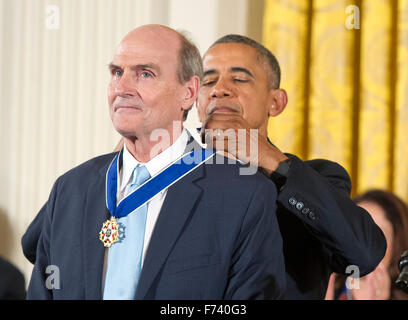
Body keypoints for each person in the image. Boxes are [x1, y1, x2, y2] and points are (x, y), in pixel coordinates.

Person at [25, 25, 286, 299]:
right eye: (116, 73)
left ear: (188, 92)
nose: (122, 88)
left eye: (145, 74)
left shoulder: (245, 194)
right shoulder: (70, 187)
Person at [195, 34, 387, 299]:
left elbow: (364, 253)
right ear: (195, 101)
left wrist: (268, 158)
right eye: (208, 81)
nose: (220, 89)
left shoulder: (317, 178)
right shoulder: (170, 174)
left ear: (276, 102)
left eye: (239, 78)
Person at [325, 189, 408, 300]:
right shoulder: (322, 286)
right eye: (354, 233)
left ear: (398, 243)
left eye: (375, 236)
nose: (361, 244)